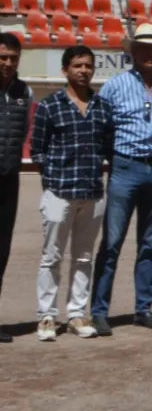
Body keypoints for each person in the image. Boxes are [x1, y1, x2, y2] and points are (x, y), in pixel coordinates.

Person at [91, 23, 152, 335]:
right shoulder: (114, 87)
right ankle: (99, 310)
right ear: (133, 52)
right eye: (144, 48)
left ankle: (144, 307)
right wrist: (112, 160)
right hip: (125, 167)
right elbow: (100, 128)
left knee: (150, 243)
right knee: (112, 242)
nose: (150, 54)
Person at [30, 46, 114, 341]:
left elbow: (107, 148)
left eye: (88, 66)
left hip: (92, 191)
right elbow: (37, 150)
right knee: (51, 256)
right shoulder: (49, 105)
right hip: (59, 192)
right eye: (77, 65)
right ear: (65, 70)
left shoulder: (103, 107)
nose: (84, 71)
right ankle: (47, 316)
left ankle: (77, 314)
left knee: (83, 257)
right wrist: (52, 181)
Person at [0, 32, 32, 344]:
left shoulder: (24, 91)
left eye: (13, 58)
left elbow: (22, 132)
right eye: (3, 57)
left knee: (1, 251)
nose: (8, 63)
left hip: (8, 178)